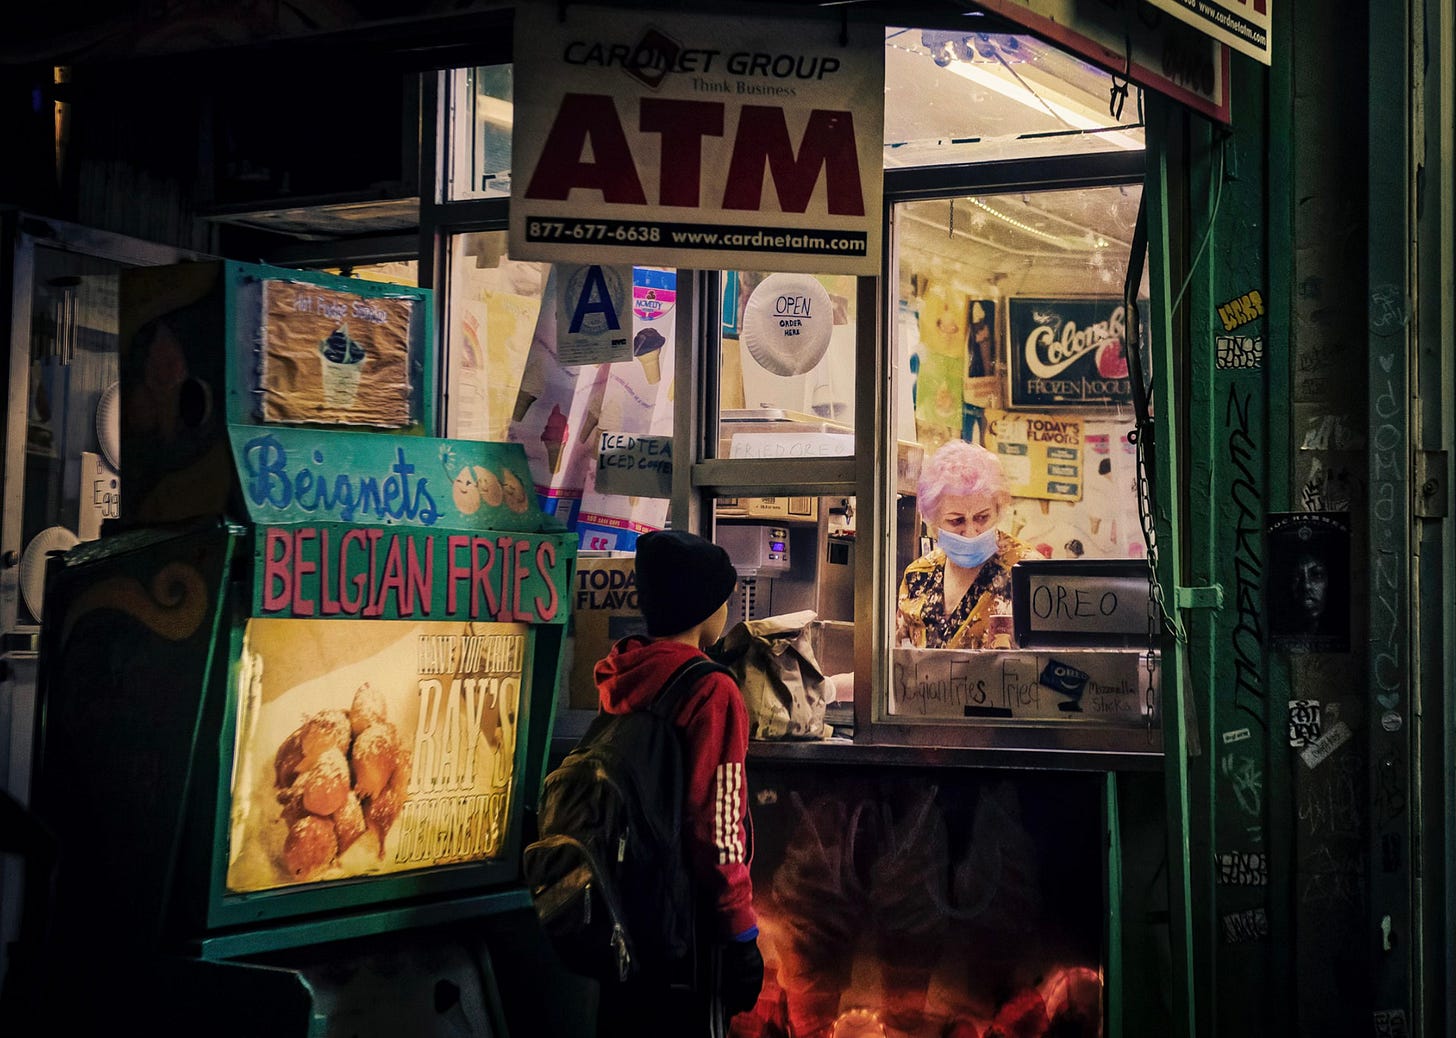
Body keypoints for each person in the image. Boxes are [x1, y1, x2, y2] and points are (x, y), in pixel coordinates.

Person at [592, 529, 764, 1035]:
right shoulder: (711, 690)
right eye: (724, 598)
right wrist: (741, 931)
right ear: (706, 606)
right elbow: (718, 822)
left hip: (619, 909)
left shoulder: (621, 671)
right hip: (683, 925)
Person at [897, 440, 1040, 649]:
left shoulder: (1029, 571)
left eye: (982, 517)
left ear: (998, 510)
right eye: (956, 521)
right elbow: (898, 656)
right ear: (934, 522)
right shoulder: (918, 576)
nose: (971, 532)